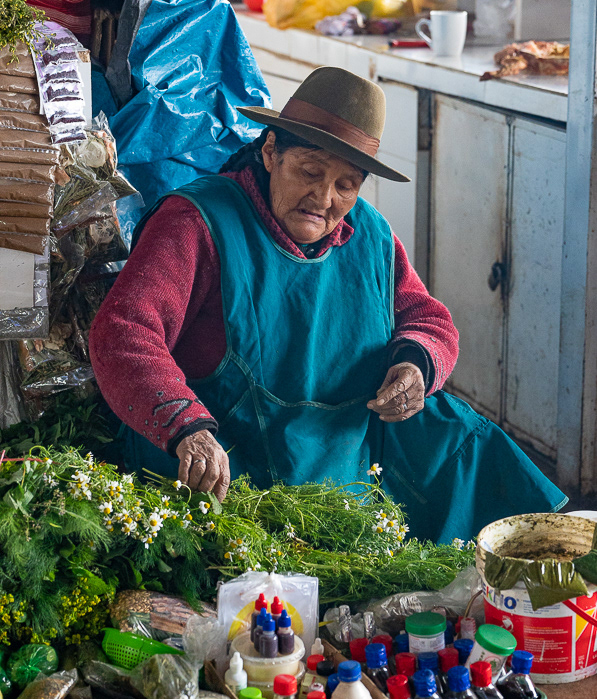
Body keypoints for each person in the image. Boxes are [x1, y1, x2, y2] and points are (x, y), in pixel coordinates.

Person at [89, 66, 567, 544]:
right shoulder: (197, 221)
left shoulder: (371, 233)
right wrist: (185, 429)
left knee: (463, 436)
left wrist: (415, 365)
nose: (324, 198)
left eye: (346, 184)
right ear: (271, 151)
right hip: (231, 464)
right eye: (310, 172)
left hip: (346, 456)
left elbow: (427, 317)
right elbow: (123, 331)